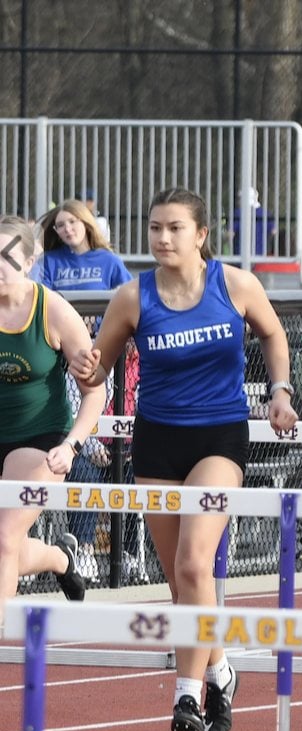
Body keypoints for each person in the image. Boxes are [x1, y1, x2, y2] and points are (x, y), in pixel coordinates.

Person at [70, 187, 298, 731]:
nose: (162, 238)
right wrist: (85, 369)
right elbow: (98, 371)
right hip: (158, 441)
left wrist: (281, 390)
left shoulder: (235, 284)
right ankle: (220, 669)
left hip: (219, 437)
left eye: (174, 228)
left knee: (197, 565)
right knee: (180, 583)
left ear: (200, 235)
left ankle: (187, 694)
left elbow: (272, 332)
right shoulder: (132, 296)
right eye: (154, 228)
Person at [0, 215, 104, 615]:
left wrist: (72, 444)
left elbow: (95, 390)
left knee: (6, 537)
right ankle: (61, 558)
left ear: (28, 262)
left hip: (41, 437)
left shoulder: (52, 309)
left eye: (9, 256)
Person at [41, 199, 134, 577]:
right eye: (59, 225)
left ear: (85, 223)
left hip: (106, 359)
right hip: (66, 362)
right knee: (83, 463)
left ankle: (125, 552)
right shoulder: (51, 262)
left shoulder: (108, 262)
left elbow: (128, 301)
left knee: (124, 463)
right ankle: (79, 549)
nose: (66, 230)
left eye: (71, 223)